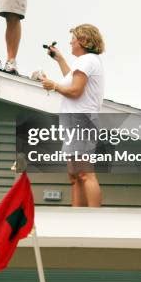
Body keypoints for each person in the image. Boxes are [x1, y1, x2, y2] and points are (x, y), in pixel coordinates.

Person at [41, 24, 105, 207]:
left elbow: (75, 90)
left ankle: (93, 219)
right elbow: (71, 79)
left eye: (73, 39)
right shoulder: (85, 61)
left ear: (83, 41)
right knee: (75, 176)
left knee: (84, 173)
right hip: (74, 123)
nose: (70, 42)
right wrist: (59, 59)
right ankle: (78, 218)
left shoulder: (87, 61)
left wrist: (53, 86)